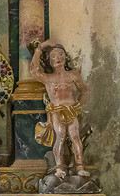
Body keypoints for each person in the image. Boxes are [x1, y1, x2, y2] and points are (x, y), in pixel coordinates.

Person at [29, 40, 89, 179]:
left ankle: (79, 166)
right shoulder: (48, 78)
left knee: (75, 136)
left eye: (61, 54)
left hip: (71, 110)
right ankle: (59, 167)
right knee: (60, 136)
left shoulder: (73, 75)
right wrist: (40, 49)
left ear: (65, 57)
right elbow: (34, 71)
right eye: (53, 56)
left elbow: (84, 91)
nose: (58, 58)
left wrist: (79, 104)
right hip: (56, 111)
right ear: (49, 61)